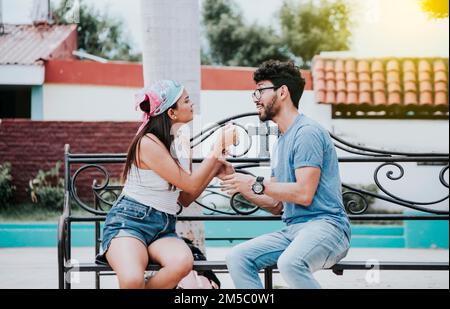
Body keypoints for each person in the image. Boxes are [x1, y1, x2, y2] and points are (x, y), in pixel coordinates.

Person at [221, 60, 351, 289]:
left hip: (328, 228)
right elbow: (276, 204)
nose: (255, 97)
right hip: (294, 231)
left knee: (291, 263)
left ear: (282, 92)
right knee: (238, 257)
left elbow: (304, 193)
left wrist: (254, 183)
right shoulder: (281, 141)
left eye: (261, 90)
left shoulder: (306, 132)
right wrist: (237, 182)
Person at [96, 80, 237, 289]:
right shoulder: (148, 143)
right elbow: (189, 184)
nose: (192, 105)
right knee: (132, 280)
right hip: (129, 223)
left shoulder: (180, 145)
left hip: (162, 227)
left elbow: (186, 197)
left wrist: (215, 166)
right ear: (171, 113)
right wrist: (217, 148)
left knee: (183, 262)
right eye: (187, 101)